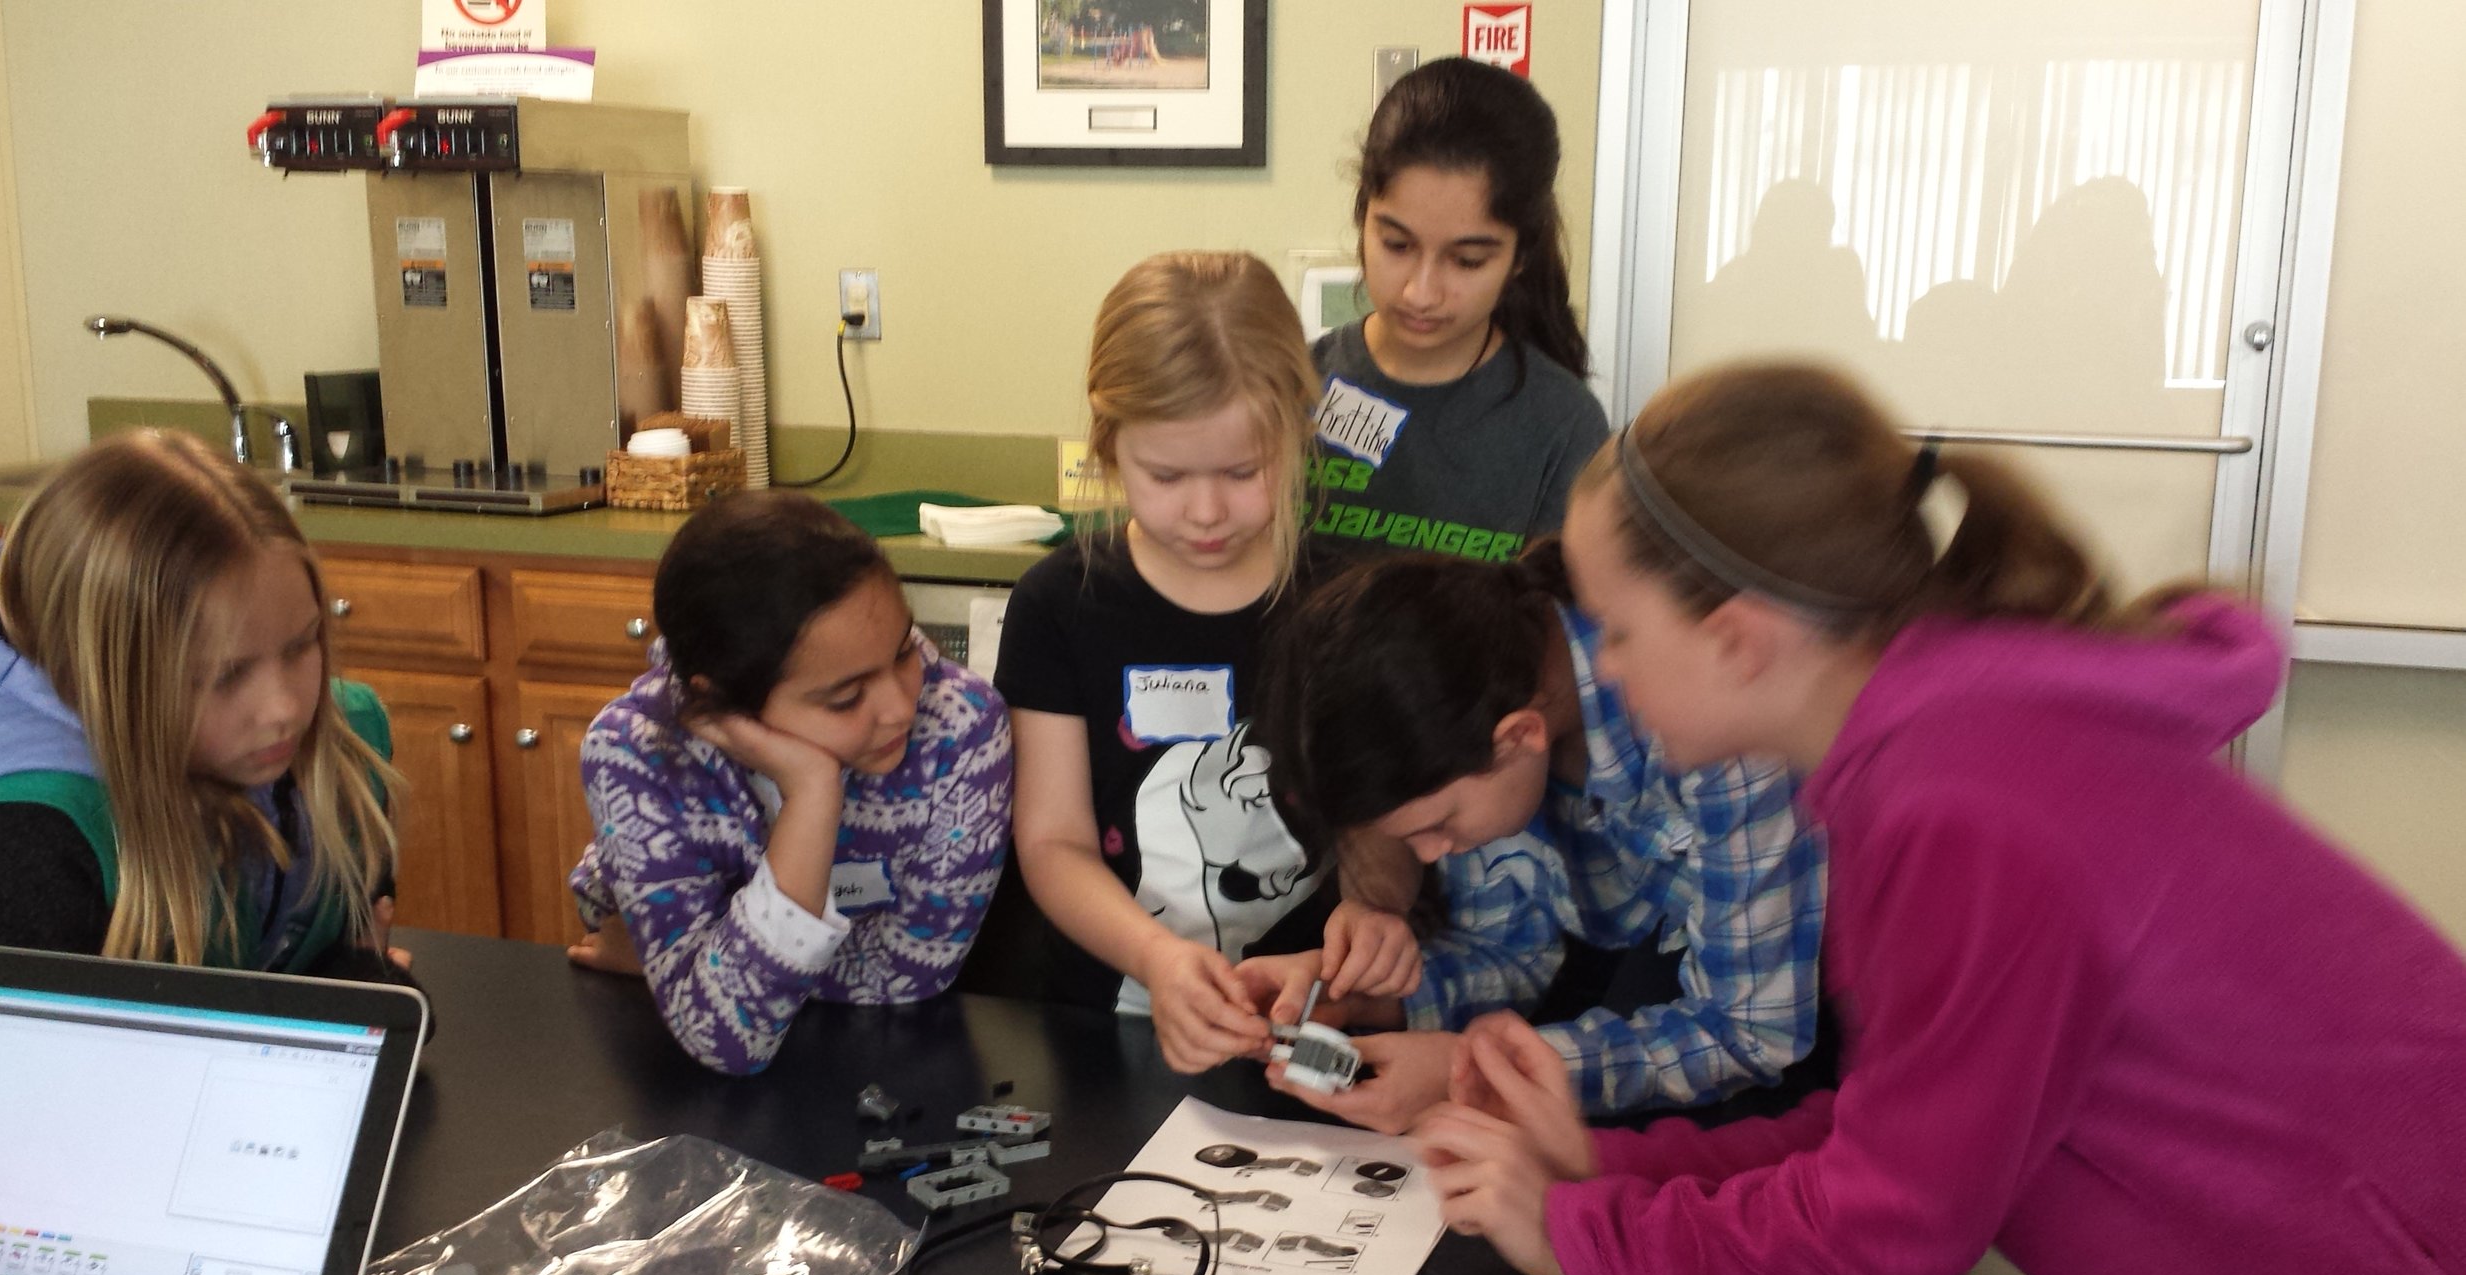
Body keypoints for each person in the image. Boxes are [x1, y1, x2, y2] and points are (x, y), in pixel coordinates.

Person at [1416, 363, 2466, 1275]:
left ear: (1738, 638)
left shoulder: (1964, 803)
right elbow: (1902, 1124)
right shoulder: (1924, 747)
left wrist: (1575, 1236)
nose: (1599, 672)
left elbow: (1887, 1226)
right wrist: (1604, 1166)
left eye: (1617, 629)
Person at [994, 250, 1416, 1075]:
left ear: (1296, 432)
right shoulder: (1056, 606)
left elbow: (1381, 821)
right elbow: (1052, 842)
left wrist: (1378, 910)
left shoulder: (1344, 606)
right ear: (1110, 445)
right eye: (1166, 474)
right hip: (1108, 1031)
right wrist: (1155, 958)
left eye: (1242, 471)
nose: (1207, 510)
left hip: (1302, 1025)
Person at [1243, 548, 1826, 1134]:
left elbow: (1752, 1032)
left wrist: (1479, 1073)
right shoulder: (1480, 695)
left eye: (1437, 824)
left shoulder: (1713, 732)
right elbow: (1509, 952)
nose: (1430, 853)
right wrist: (1357, 996)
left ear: (1520, 735)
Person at [568, 492, 1012, 1075]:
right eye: (847, 698)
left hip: (883, 1060)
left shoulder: (963, 726)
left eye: (905, 650)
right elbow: (728, 1042)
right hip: (664, 1072)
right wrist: (812, 794)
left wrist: (691, 974)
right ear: (720, 700)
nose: (902, 706)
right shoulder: (633, 753)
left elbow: (912, 974)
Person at [0, 430, 404, 979]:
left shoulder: (349, 745)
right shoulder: (30, 840)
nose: (284, 709)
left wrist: (355, 980)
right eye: (224, 675)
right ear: (103, 678)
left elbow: (363, 930)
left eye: (301, 644)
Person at [1306, 56, 1609, 563]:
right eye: (1397, 246)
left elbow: (1562, 624)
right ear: (1363, 218)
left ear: (1520, 257)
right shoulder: (1294, 386)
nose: (1421, 293)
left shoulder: (1564, 426)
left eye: (1467, 261)